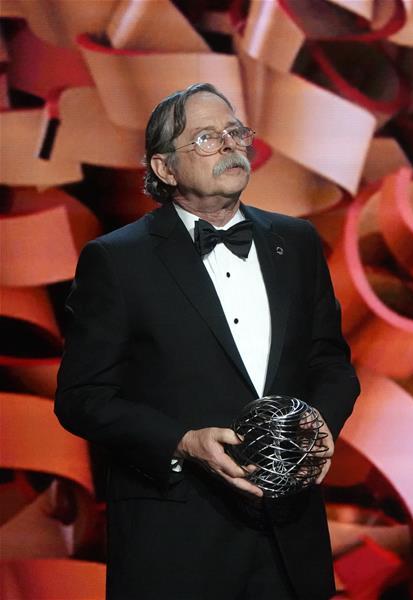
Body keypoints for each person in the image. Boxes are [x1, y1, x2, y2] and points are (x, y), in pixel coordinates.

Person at [55, 82, 359, 599]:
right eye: (205, 139)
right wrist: (183, 441)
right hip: (177, 539)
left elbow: (329, 362)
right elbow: (82, 399)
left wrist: (321, 426)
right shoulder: (118, 260)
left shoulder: (298, 242)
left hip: (288, 535)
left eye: (234, 132)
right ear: (165, 168)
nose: (229, 145)